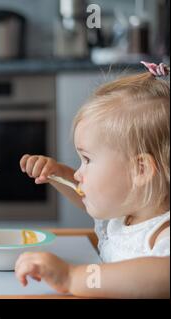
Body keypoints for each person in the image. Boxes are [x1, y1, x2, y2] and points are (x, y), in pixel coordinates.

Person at [16, 62, 170, 298]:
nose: (78, 174)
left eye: (87, 160)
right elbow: (87, 193)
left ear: (140, 169)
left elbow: (161, 276)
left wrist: (73, 277)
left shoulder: (162, 234)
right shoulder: (124, 214)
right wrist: (58, 174)